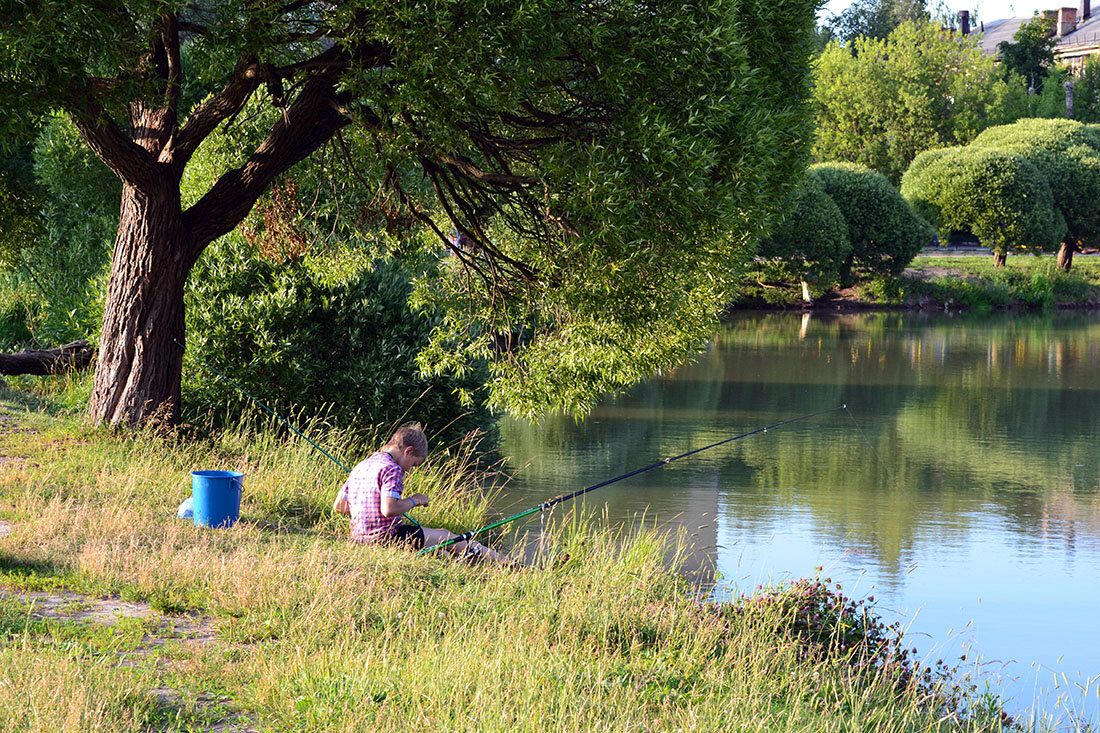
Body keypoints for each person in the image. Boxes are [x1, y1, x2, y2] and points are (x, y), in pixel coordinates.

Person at [333, 423, 513, 563]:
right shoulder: (392, 469)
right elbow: (389, 509)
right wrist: (415, 500)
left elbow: (340, 506)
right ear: (408, 451)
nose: (410, 470)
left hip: (359, 537)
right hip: (387, 537)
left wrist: (367, 509)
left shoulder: (361, 466)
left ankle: (489, 563)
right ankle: (510, 565)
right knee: (448, 537)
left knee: (440, 551)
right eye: (414, 464)